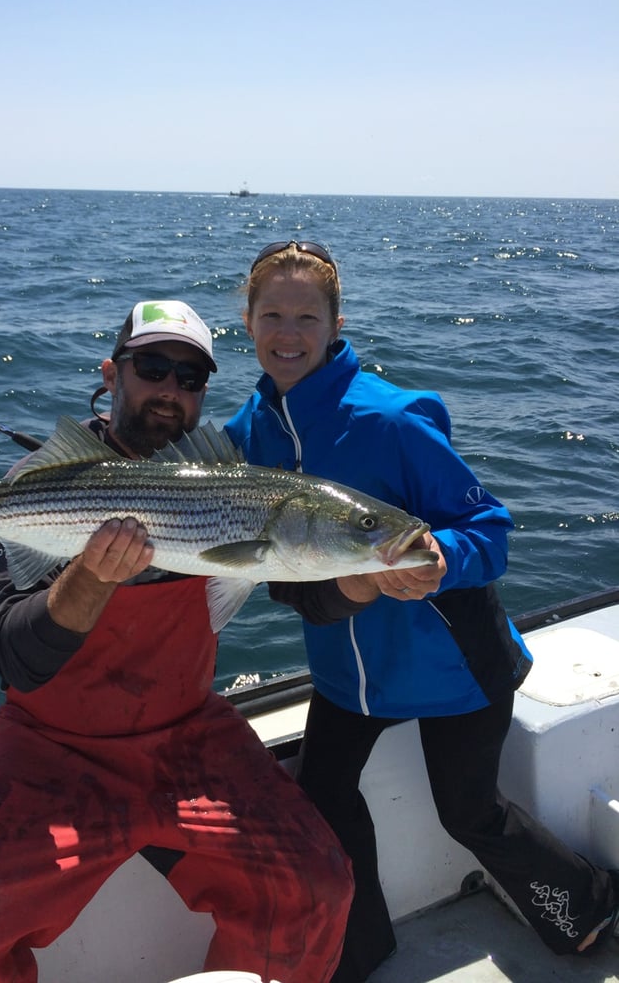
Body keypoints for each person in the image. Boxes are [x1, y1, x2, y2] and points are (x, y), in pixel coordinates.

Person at [0, 299, 354, 983]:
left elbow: (302, 585)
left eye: (190, 377)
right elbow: (16, 659)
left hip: (188, 735)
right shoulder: (36, 490)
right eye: (152, 367)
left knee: (317, 884)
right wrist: (86, 580)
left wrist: (368, 581)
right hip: (52, 744)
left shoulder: (230, 484)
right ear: (112, 374)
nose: (170, 389)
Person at [224, 242, 619, 981]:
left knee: (469, 815)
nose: (288, 330)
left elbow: (491, 532)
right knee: (322, 797)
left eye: (306, 315)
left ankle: (586, 907)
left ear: (336, 322)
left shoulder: (396, 420)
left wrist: (442, 563)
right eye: (271, 313)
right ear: (245, 322)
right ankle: (363, 945)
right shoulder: (251, 432)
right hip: (349, 674)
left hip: (455, 666)